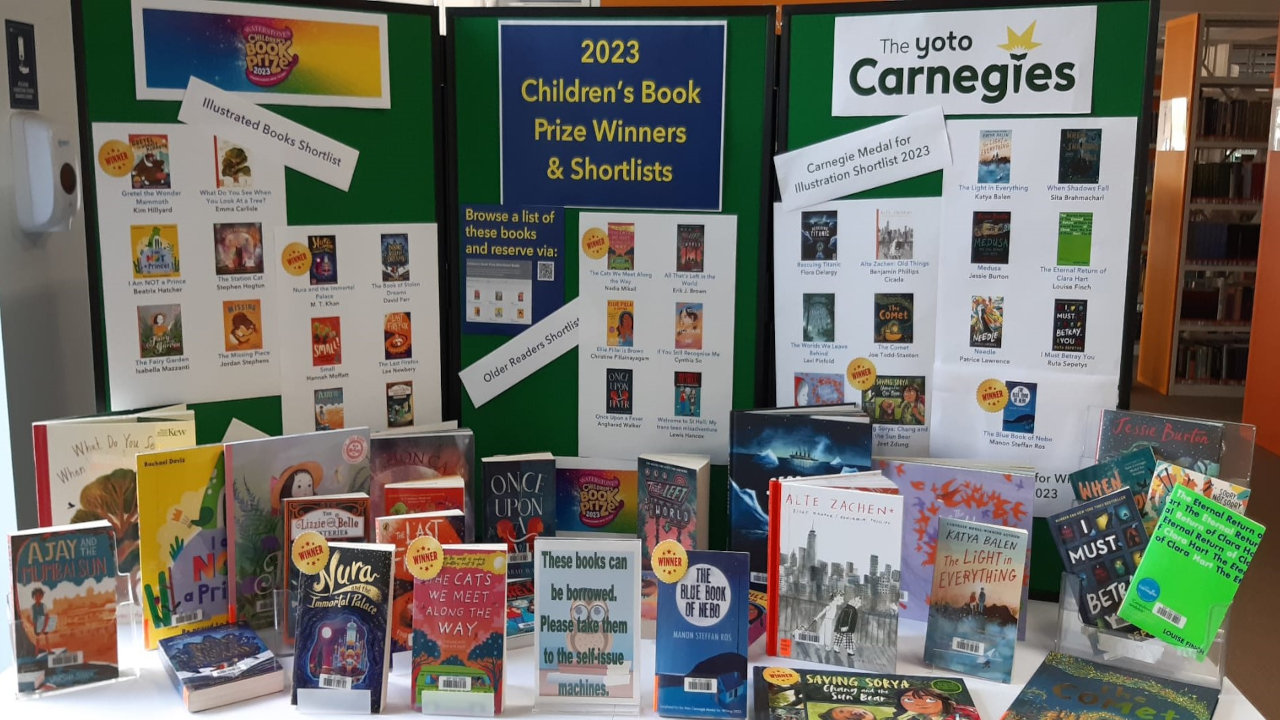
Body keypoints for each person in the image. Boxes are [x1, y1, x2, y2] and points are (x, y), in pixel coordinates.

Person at [895, 687, 980, 720]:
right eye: (909, 700)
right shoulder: (911, 717)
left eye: (930, 699)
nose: (919, 704)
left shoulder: (964, 712)